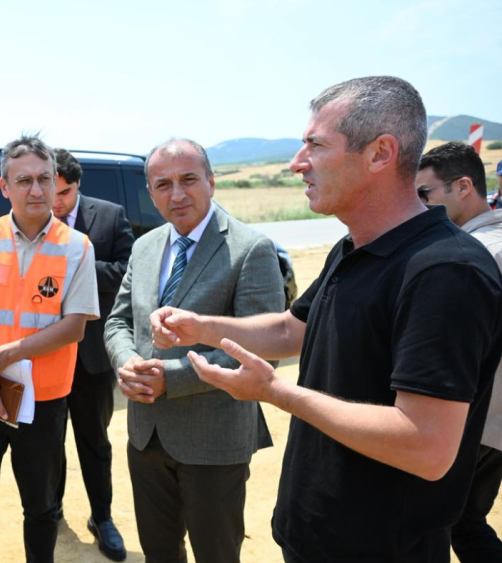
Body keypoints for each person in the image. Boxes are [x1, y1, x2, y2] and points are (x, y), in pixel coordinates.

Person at [152, 76, 502, 563]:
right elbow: (291, 329)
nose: (298, 163)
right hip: (316, 535)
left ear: (380, 154)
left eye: (315, 145)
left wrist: (275, 392)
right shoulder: (355, 246)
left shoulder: (446, 271)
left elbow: (425, 446)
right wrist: (203, 326)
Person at [104, 139, 283, 562]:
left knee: (215, 553)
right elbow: (118, 321)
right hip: (146, 435)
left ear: (211, 181)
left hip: (214, 439)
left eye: (188, 180)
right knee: (159, 552)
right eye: (163, 184)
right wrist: (128, 362)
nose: (177, 194)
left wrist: (172, 378)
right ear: (150, 193)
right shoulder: (146, 246)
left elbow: (261, 351)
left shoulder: (250, 248)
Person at [0, 134, 99, 563]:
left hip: (44, 401)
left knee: (41, 508)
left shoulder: (77, 246)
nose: (36, 190)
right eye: (24, 180)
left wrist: (6, 354)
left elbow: (74, 327)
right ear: (5, 186)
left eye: (44, 179)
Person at [417, 141, 502, 562]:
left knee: (455, 526)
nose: (419, 204)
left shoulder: (475, 253)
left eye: (425, 193)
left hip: (476, 421)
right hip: (490, 423)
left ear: (464, 186)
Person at [50, 148, 134, 561]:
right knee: (47, 442)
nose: (55, 202)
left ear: (77, 185)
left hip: (92, 356)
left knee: (94, 441)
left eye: (63, 193)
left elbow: (126, 271)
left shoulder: (110, 215)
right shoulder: (30, 220)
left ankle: (102, 518)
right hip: (43, 353)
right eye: (50, 191)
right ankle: (50, 511)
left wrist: (78, 266)